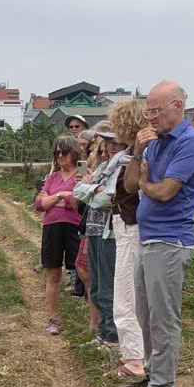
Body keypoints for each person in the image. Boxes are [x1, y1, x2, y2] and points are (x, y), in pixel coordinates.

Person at [122, 80, 194, 387]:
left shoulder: (191, 143)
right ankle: (151, 374)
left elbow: (165, 192)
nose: (151, 118)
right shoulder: (153, 143)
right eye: (148, 112)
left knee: (163, 317)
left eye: (156, 111)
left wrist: (146, 180)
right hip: (149, 240)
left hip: (170, 241)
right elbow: (131, 187)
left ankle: (163, 385)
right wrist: (136, 153)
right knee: (145, 314)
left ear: (178, 107)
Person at [74, 120, 125, 346]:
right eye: (108, 142)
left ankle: (111, 336)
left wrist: (91, 190)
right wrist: (94, 190)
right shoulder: (106, 166)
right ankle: (104, 333)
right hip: (95, 230)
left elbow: (107, 199)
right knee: (96, 285)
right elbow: (78, 191)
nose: (112, 147)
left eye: (116, 142)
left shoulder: (124, 165)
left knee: (107, 286)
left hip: (111, 233)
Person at [109, 99, 146, 379]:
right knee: (128, 295)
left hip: (133, 228)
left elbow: (136, 190)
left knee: (126, 296)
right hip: (126, 225)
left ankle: (134, 358)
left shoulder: (140, 154)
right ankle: (134, 353)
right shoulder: (134, 152)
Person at [33, 136, 83, 335]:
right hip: (52, 227)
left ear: (73, 153)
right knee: (53, 273)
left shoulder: (80, 177)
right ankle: (53, 317)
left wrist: (53, 199)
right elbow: (39, 205)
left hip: (73, 227)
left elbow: (77, 204)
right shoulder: (52, 177)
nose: (60, 156)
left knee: (82, 271)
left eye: (64, 152)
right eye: (57, 153)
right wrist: (62, 196)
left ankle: (93, 318)